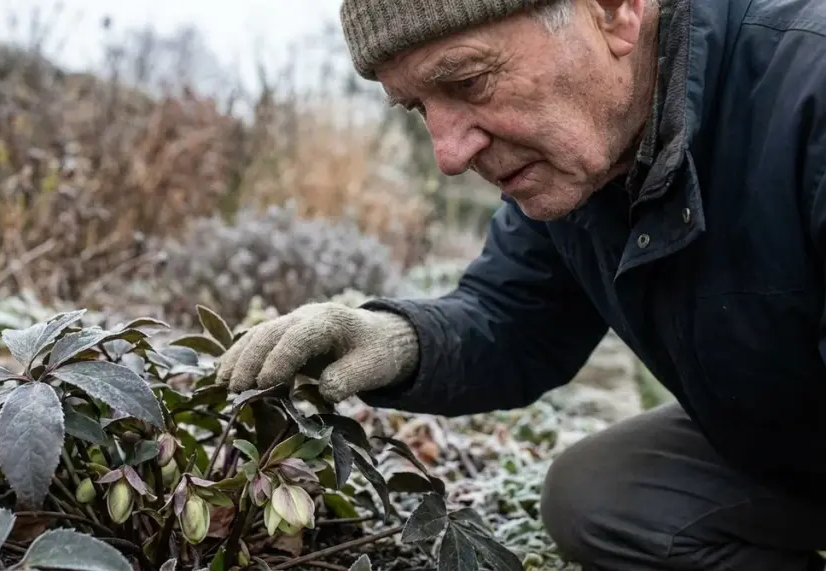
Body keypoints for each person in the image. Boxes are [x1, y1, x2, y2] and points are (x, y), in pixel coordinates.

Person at [215, 0, 826, 568]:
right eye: (419, 107)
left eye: (468, 81)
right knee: (599, 496)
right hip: (790, 444)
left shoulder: (809, 91)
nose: (449, 154)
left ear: (615, 12)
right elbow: (513, 319)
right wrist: (391, 340)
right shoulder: (584, 161)